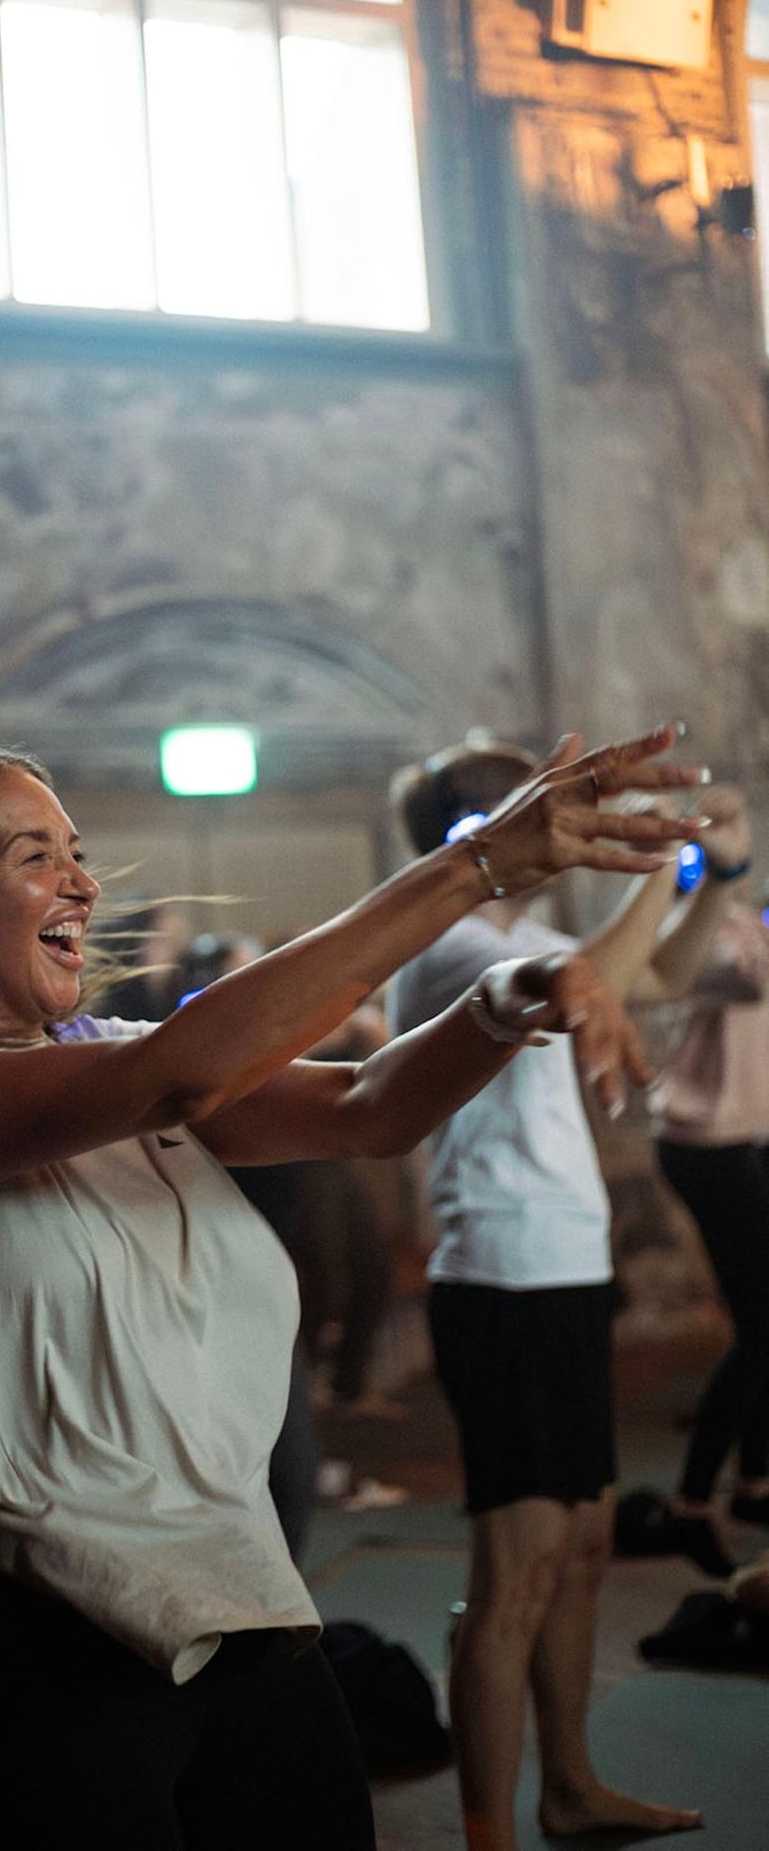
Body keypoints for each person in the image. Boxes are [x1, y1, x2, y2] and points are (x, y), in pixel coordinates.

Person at [0, 731, 704, 1851]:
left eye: (77, 851)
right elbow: (183, 1070)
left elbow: (367, 1106)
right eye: (32, 857)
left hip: (243, 1595)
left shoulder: (107, 1052)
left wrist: (510, 995)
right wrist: (480, 864)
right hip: (62, 1634)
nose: (80, 883)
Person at [389, 742, 744, 1851]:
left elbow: (668, 976)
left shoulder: (533, 937)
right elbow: (598, 976)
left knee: (584, 1544)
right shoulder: (442, 946)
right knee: (517, 1569)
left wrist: (714, 879)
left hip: (564, 1271)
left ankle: (573, 1788)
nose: (565, 820)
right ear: (473, 830)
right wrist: (663, 855)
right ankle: (490, 1828)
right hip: (503, 1277)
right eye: (540, 806)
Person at [646, 813, 769, 1565]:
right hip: (703, 1145)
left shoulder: (739, 923)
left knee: (768, 1323)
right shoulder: (684, 933)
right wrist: (730, 873)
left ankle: (754, 1478)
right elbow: (751, 982)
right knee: (761, 1326)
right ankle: (692, 1500)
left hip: (745, 1138)